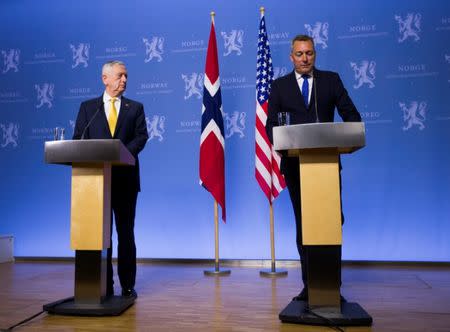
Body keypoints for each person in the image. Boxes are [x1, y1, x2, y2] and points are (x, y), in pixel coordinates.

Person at [265, 35, 361, 301]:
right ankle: (310, 286)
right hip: (296, 167)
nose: (304, 58)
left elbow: (352, 118)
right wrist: (288, 142)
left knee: (331, 223)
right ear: (291, 57)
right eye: (299, 54)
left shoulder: (330, 81)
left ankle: (332, 287)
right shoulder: (279, 86)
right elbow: (270, 126)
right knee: (304, 225)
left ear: (315, 55)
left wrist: (335, 134)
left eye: (309, 53)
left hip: (327, 167)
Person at [73, 60, 148, 298]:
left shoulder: (135, 108)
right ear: (105, 78)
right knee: (100, 234)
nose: (124, 80)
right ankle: (104, 284)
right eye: (119, 76)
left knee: (125, 233)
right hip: (95, 183)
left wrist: (122, 153)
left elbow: (141, 137)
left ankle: (127, 284)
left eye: (126, 76)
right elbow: (78, 139)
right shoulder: (89, 108)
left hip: (125, 180)